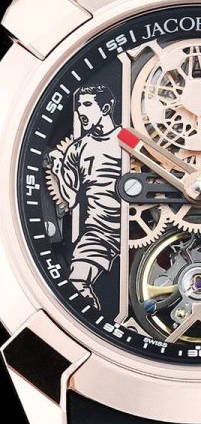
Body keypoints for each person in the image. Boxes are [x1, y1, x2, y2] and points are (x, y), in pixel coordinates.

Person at [48, 85, 121, 310]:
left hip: (138, 228)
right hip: (98, 232)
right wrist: (58, 169)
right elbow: (71, 199)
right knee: (78, 283)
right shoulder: (77, 149)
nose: (81, 110)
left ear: (106, 108)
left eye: (87, 104)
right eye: (79, 105)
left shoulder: (128, 137)